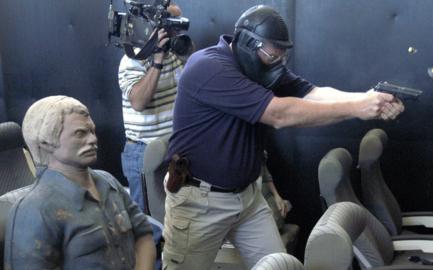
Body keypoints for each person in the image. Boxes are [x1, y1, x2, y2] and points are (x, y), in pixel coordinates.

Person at [162, 5, 404, 270]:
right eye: (271, 55)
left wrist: (368, 99)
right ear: (247, 44)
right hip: (200, 201)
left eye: (281, 56)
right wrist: (358, 109)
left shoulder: (260, 66)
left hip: (247, 197)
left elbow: (312, 93)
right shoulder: (209, 67)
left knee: (281, 266)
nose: (277, 63)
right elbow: (281, 114)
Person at [4, 96, 155, 270]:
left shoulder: (108, 182)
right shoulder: (34, 210)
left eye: (92, 131)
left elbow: (143, 234)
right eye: (80, 133)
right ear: (46, 142)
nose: (93, 140)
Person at [118, 3, 185, 212]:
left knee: (172, 216)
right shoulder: (132, 60)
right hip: (143, 151)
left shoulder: (174, 56)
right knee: (147, 221)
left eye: (176, 24)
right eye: (169, 25)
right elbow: (138, 102)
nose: (175, 31)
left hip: (172, 149)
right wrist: (157, 61)